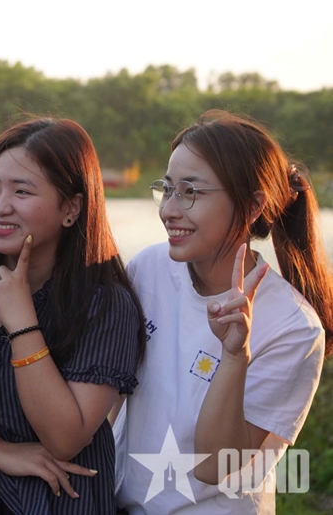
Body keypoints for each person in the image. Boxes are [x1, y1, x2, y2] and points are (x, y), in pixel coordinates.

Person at [113, 110, 332, 513]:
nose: (169, 210)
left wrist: (234, 355)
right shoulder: (148, 269)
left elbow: (216, 466)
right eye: (167, 189)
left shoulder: (293, 327)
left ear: (252, 206)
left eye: (190, 192)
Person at [0, 117, 146, 514]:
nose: (0, 205)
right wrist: (2, 452)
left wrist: (23, 324)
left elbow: (65, 438)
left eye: (22, 191)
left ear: (71, 207)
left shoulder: (104, 305)